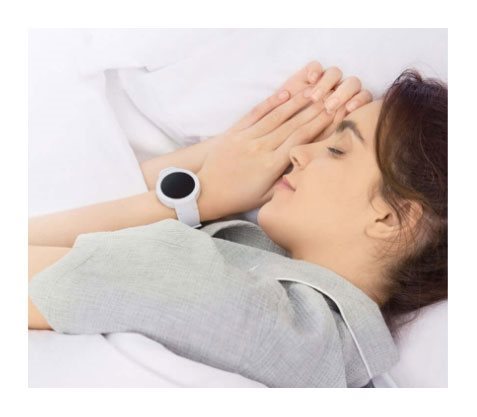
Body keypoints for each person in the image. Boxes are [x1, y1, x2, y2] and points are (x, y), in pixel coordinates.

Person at [28, 61, 447, 387]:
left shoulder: (246, 310)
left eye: (337, 149)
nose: (298, 152)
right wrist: (210, 173)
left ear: (390, 217)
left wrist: (204, 194)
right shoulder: (312, 339)